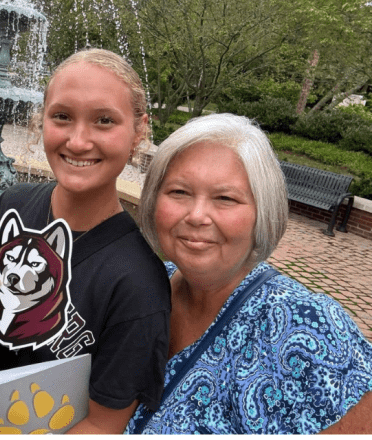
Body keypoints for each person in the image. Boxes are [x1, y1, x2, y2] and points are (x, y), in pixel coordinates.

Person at [0, 48, 171, 433]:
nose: (79, 140)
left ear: (138, 132)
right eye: (62, 117)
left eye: (104, 120)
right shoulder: (11, 206)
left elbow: (103, 425)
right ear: (42, 121)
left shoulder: (138, 284)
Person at [126, 113, 372, 434]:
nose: (197, 215)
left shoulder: (307, 325)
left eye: (225, 198)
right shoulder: (143, 287)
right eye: (179, 192)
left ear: (262, 213)